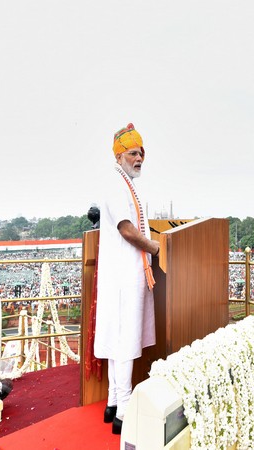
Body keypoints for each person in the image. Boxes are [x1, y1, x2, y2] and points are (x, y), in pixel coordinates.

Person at [94, 123, 160, 435]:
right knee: (124, 343)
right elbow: (126, 229)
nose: (139, 158)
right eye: (134, 153)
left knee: (118, 341)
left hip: (124, 275)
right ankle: (123, 411)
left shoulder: (125, 183)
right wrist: (155, 247)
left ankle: (111, 403)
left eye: (142, 153)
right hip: (123, 278)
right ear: (119, 155)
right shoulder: (115, 184)